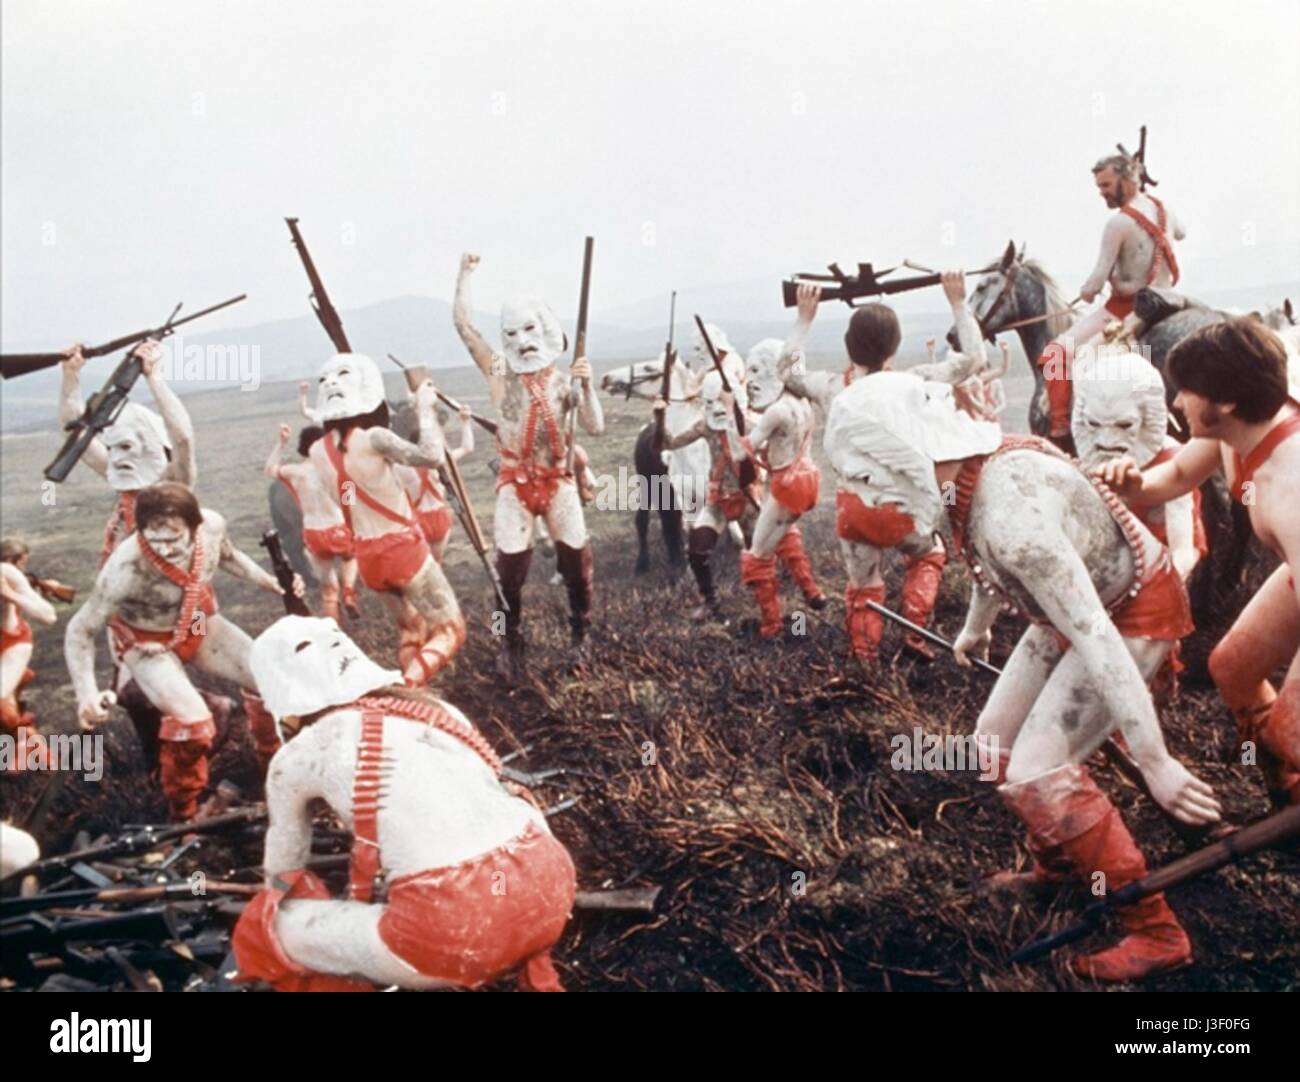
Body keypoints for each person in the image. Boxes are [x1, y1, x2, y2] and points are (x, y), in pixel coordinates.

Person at [233, 615, 575, 991]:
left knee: (269, 926)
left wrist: (308, 908)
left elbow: (283, 873)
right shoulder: (437, 711)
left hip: (455, 928)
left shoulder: (298, 755)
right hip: (549, 886)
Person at [1098, 317, 1300, 806]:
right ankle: (1290, 798)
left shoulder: (1290, 485)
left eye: (1186, 390)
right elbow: (1178, 475)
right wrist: (1135, 485)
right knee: (1231, 669)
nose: (1175, 402)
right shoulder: (1236, 430)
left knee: (1291, 733)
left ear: (1225, 400)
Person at [65, 483, 302, 820]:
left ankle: (275, 772)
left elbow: (230, 558)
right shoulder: (124, 568)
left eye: (174, 537)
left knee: (270, 681)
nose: (165, 549)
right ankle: (184, 815)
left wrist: (271, 581)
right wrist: (85, 692)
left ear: (195, 526)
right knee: (194, 724)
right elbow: (80, 629)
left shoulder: (213, 527)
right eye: (154, 538)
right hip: (149, 643)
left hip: (197, 624)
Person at [453, 253, 603, 677]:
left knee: (577, 563)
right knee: (507, 575)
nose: (522, 340)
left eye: (530, 329)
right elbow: (465, 328)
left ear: (547, 330)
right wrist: (464, 274)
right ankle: (510, 642)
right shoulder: (499, 371)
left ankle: (582, 637)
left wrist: (587, 387)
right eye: (512, 333)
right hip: (514, 483)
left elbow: (594, 427)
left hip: (558, 480)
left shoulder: (564, 381)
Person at [265, 424, 359, 620]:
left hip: (314, 533)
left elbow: (269, 469)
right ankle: (349, 591)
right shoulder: (336, 468)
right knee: (351, 558)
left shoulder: (295, 472)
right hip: (338, 527)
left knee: (328, 592)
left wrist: (281, 444)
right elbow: (350, 499)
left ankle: (336, 635)